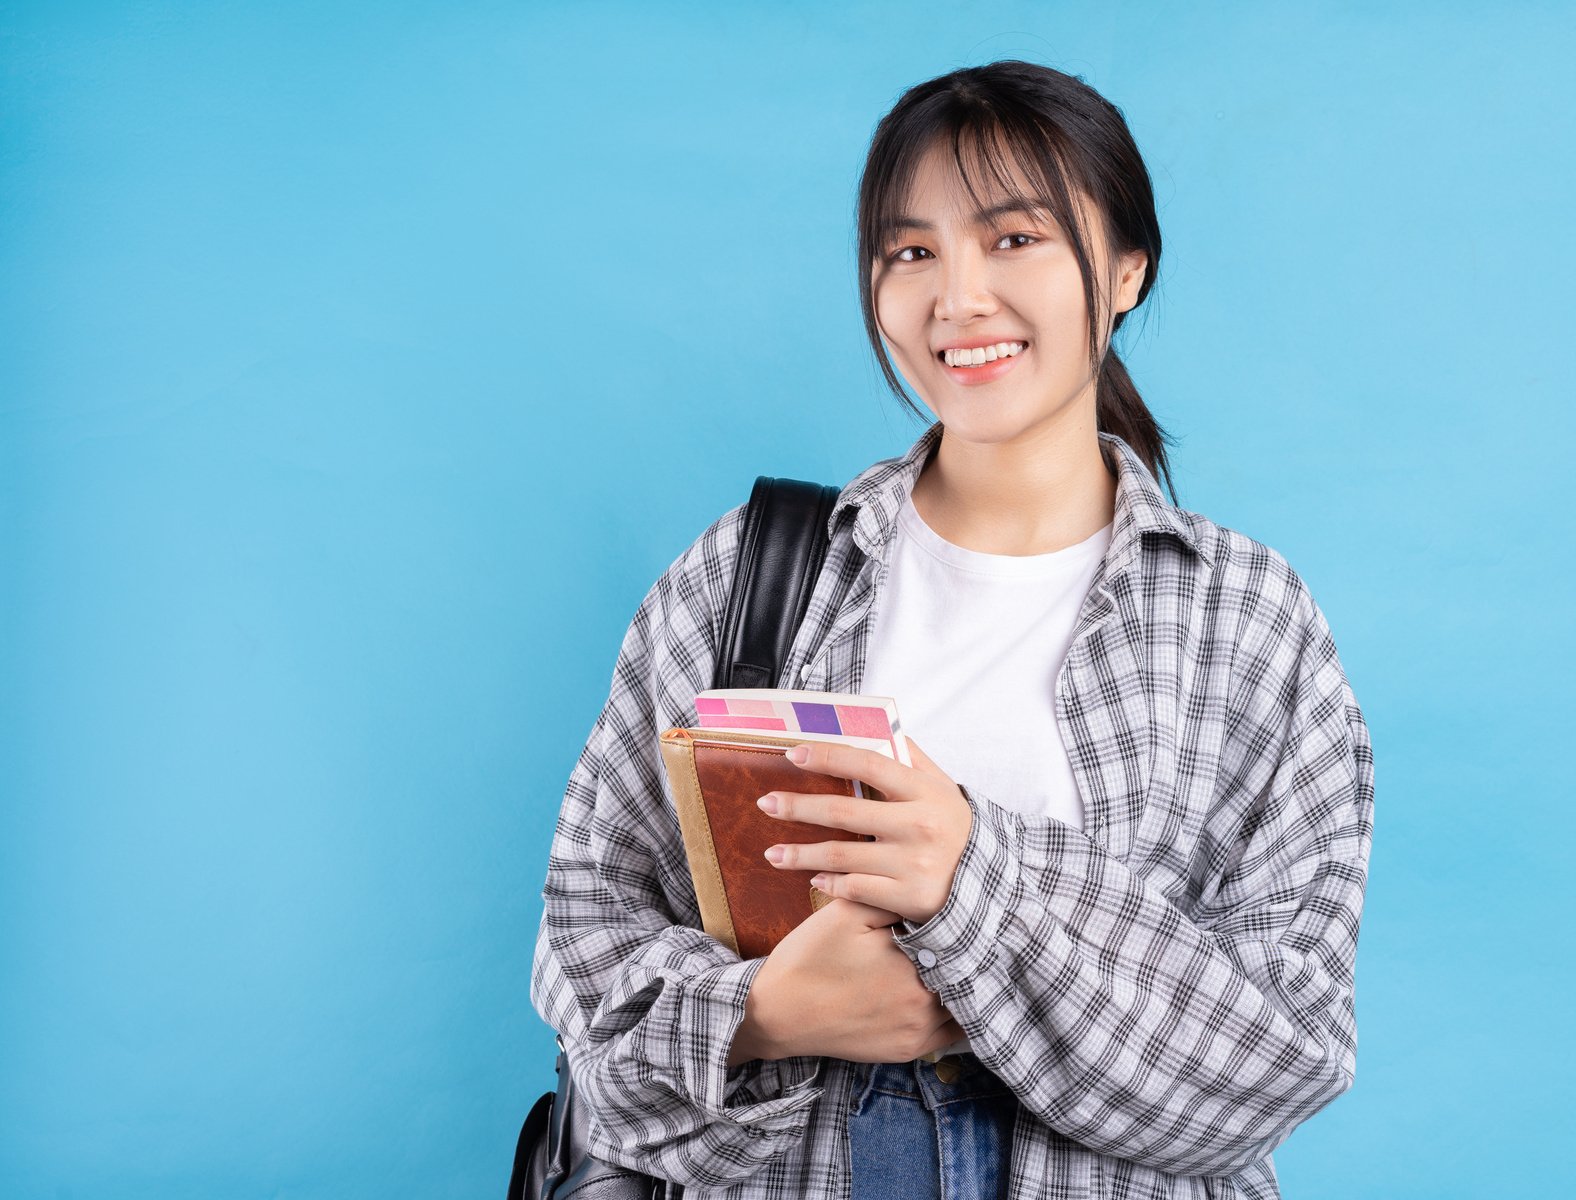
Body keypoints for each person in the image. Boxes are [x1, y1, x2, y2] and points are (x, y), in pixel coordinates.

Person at [530, 60, 1375, 1200]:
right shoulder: (754, 575)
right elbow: (583, 949)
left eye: (1014, 238)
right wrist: (761, 1016)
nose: (958, 298)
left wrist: (971, 876)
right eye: (912, 251)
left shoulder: (1247, 622)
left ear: (1127, 269)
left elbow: (1282, 1053)